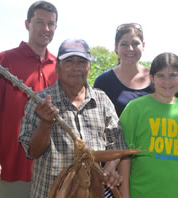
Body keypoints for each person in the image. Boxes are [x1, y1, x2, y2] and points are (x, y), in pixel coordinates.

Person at [18, 39, 128, 198]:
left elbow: (117, 142)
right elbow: (33, 151)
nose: (76, 68)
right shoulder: (40, 102)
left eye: (82, 62)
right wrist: (45, 124)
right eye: (69, 61)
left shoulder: (102, 100)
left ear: (89, 67)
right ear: (57, 67)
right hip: (50, 192)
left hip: (93, 191)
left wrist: (110, 168)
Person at [0, 1, 58, 198]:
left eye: (51, 24)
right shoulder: (5, 61)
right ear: (27, 24)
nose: (46, 28)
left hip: (48, 171)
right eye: (40, 22)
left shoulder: (59, 67)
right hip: (10, 168)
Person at [118, 52, 178, 198]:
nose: (167, 81)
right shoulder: (135, 107)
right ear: (152, 78)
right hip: (142, 193)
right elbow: (123, 156)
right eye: (160, 76)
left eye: (173, 75)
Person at [93, 23, 153, 117]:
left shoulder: (156, 78)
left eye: (135, 43)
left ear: (143, 45)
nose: (130, 48)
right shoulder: (103, 82)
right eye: (124, 44)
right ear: (116, 47)